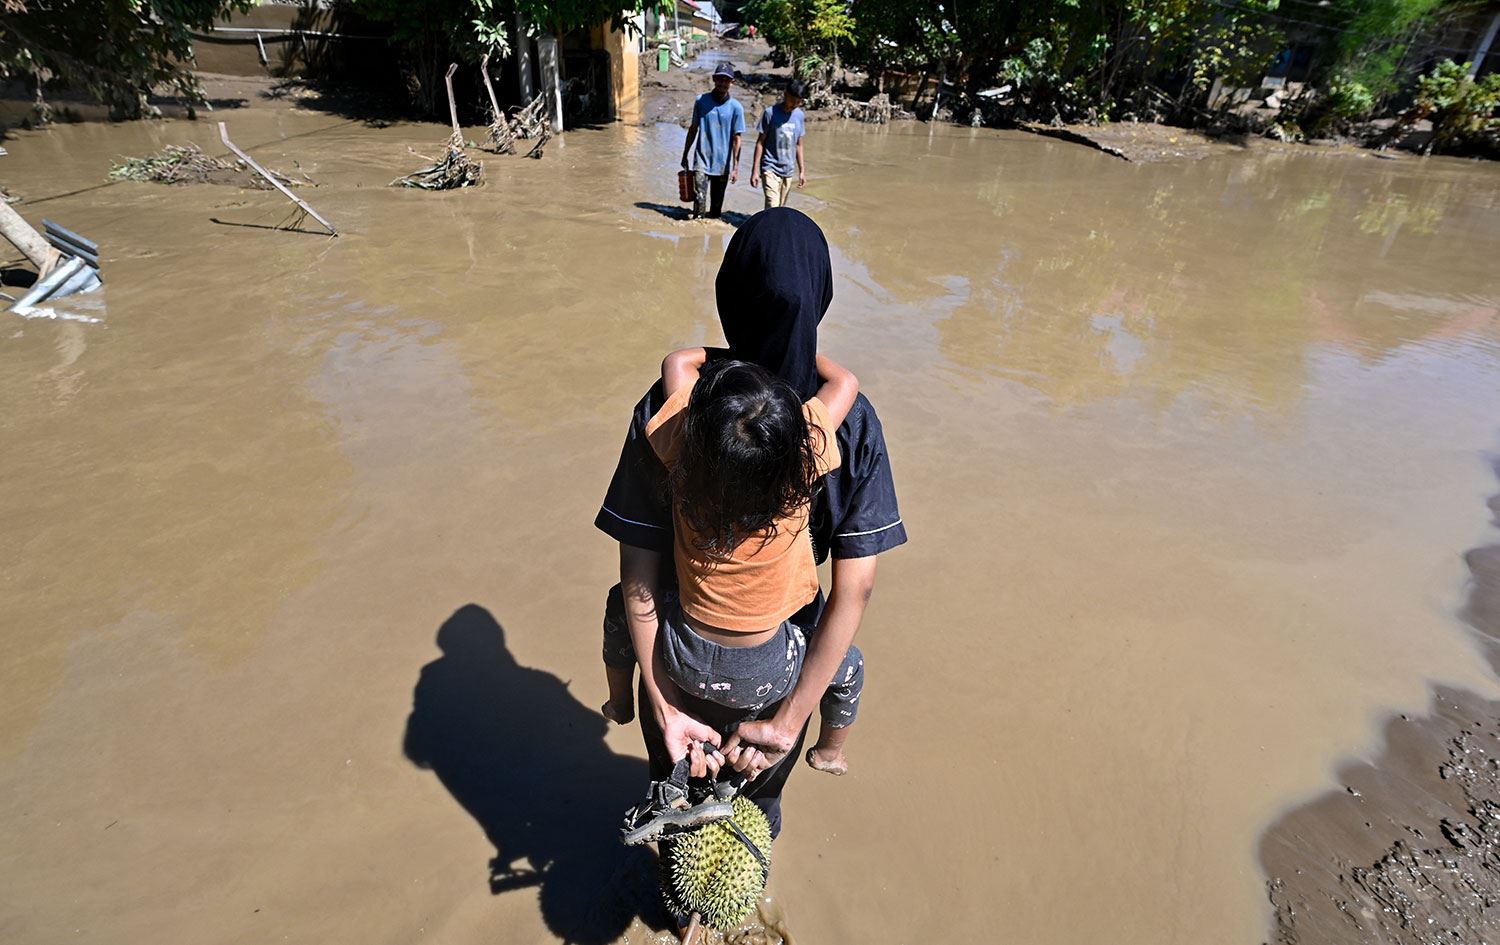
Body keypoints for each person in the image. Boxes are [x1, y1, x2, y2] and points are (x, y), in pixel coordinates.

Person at [595, 208, 907, 838]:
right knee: (754, 819)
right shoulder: (835, 427)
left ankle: (626, 716)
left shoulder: (677, 412)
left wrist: (662, 702)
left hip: (673, 654)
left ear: (728, 291)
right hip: (783, 672)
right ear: (820, 296)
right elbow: (856, 588)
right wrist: (790, 723)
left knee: (674, 808)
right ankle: (816, 767)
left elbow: (637, 567)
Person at [680, 62, 744, 220]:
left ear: (732, 82)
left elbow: (737, 139)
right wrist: (685, 154)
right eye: (719, 79)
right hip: (701, 161)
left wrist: (735, 167)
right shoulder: (701, 101)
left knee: (716, 210)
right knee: (699, 202)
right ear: (714, 79)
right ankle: (697, 231)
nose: (722, 83)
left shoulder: (736, 108)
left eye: (726, 80)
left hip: (722, 165)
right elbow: (693, 129)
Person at [750, 81, 807, 210]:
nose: (794, 105)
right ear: (785, 95)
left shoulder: (799, 116)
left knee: (780, 208)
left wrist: (802, 171)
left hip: (788, 169)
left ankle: (768, 222)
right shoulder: (770, 113)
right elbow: (760, 142)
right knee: (773, 205)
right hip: (770, 167)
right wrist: (755, 171)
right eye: (792, 101)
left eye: (798, 102)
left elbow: (799, 145)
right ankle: (768, 224)